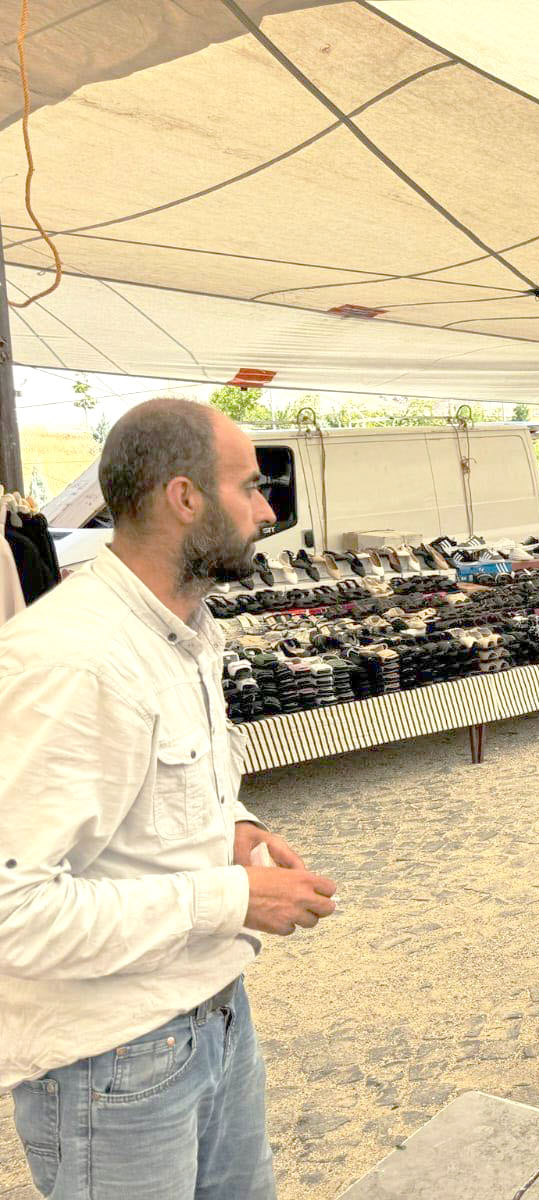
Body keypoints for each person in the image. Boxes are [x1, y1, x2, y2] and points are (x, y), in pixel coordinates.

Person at [0, 398, 339, 1200]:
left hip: (213, 1016)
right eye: (250, 488)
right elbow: (13, 912)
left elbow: (157, 788)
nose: (266, 512)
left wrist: (236, 827)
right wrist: (232, 898)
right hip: (112, 1063)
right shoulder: (73, 660)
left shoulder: (182, 630)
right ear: (184, 498)